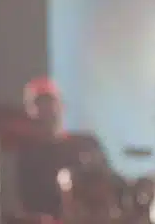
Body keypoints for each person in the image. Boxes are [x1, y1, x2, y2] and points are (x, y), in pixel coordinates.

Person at [13, 77, 117, 222]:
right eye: (40, 104)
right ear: (29, 111)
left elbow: (108, 184)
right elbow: (29, 205)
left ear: (61, 106)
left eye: (50, 102)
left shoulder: (86, 144)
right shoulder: (28, 156)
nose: (46, 109)